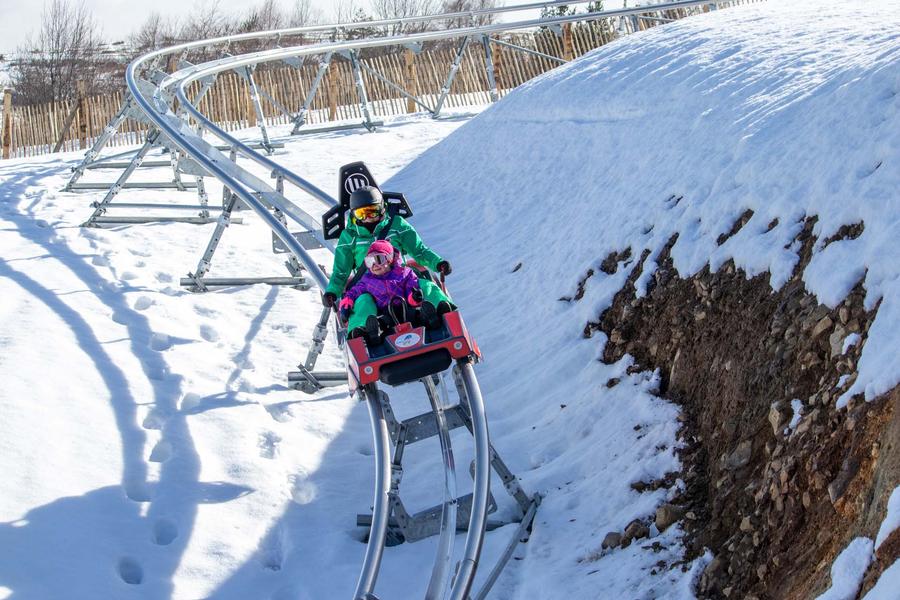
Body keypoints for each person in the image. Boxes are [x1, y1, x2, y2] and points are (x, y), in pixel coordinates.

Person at [322, 186, 454, 338]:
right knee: (362, 302)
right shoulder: (349, 237)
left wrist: (438, 263)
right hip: (370, 284)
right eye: (361, 213)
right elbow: (341, 271)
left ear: (383, 207)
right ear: (353, 215)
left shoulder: (396, 225)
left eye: (373, 210)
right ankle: (361, 331)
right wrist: (332, 291)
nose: (368, 217)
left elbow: (419, 251)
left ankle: (441, 309)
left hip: (401, 279)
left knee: (425, 286)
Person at [338, 240, 428, 343]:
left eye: (378, 259)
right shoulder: (367, 280)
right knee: (379, 321)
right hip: (386, 313)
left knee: (416, 314)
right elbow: (353, 292)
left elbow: (411, 288)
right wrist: (346, 304)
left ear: (389, 259)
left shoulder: (404, 273)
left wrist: (414, 297)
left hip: (407, 308)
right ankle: (369, 333)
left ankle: (428, 318)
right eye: (369, 261)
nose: (374, 265)